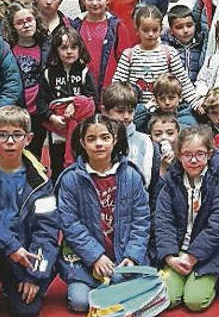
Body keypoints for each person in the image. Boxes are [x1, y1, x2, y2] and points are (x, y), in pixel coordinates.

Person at [0, 106, 60, 317]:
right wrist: (9, 245)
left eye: (17, 135)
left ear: (29, 139)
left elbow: (47, 230)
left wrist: (34, 276)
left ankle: (13, 284)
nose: (10, 141)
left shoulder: (41, 181)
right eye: (2, 135)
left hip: (25, 256)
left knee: (27, 313)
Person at [55, 114, 151, 313]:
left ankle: (116, 286)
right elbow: (70, 224)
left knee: (124, 282)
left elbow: (141, 221)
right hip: (84, 260)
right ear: (82, 143)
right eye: (91, 139)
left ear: (114, 140)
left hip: (123, 256)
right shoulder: (70, 179)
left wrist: (132, 256)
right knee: (80, 303)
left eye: (105, 138)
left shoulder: (131, 176)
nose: (99, 144)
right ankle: (109, 288)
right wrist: (95, 256)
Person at [154, 125, 219, 311]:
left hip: (206, 254)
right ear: (179, 155)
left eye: (200, 154)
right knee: (168, 299)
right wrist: (169, 257)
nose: (194, 160)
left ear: (209, 154)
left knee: (195, 301)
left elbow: (217, 226)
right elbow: (163, 222)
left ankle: (212, 282)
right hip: (177, 252)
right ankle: (178, 279)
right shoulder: (171, 182)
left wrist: (192, 257)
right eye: (187, 154)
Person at [112, 4, 198, 120]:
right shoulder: (129, 55)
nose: (151, 34)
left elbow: (183, 82)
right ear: (137, 30)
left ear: (161, 29)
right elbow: (117, 85)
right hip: (138, 113)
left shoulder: (169, 53)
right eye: (146, 30)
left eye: (155, 30)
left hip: (165, 113)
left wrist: (196, 104)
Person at [36, 26, 97, 181]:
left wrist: (76, 104)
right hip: (57, 127)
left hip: (80, 128)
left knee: (82, 162)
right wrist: (51, 117)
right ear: (56, 50)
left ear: (80, 49)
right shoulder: (48, 73)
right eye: (63, 48)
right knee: (57, 165)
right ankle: (59, 195)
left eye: (73, 47)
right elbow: (41, 101)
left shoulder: (84, 71)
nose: (69, 52)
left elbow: (93, 99)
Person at [4, 3, 51, 158]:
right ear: (13, 27)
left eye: (29, 20)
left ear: (36, 20)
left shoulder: (46, 46)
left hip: (40, 111)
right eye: (20, 22)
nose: (26, 25)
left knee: (36, 154)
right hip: (18, 110)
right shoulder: (7, 49)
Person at [101, 82, 162, 199]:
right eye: (120, 111)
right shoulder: (98, 142)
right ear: (105, 111)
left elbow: (149, 181)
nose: (126, 116)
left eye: (130, 111)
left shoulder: (145, 142)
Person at [75, 0, 129, 103]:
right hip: (81, 92)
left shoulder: (117, 27)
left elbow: (125, 61)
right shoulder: (75, 26)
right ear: (83, 0)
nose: (94, 3)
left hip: (110, 92)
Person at [162, 5, 204, 84]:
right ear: (171, 30)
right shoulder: (166, 48)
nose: (185, 30)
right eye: (179, 27)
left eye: (189, 25)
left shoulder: (201, 45)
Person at [148, 111, 180, 176]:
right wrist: (163, 168)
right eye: (157, 134)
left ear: (178, 134)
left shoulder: (184, 156)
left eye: (170, 133)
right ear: (151, 137)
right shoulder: (148, 160)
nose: (164, 137)